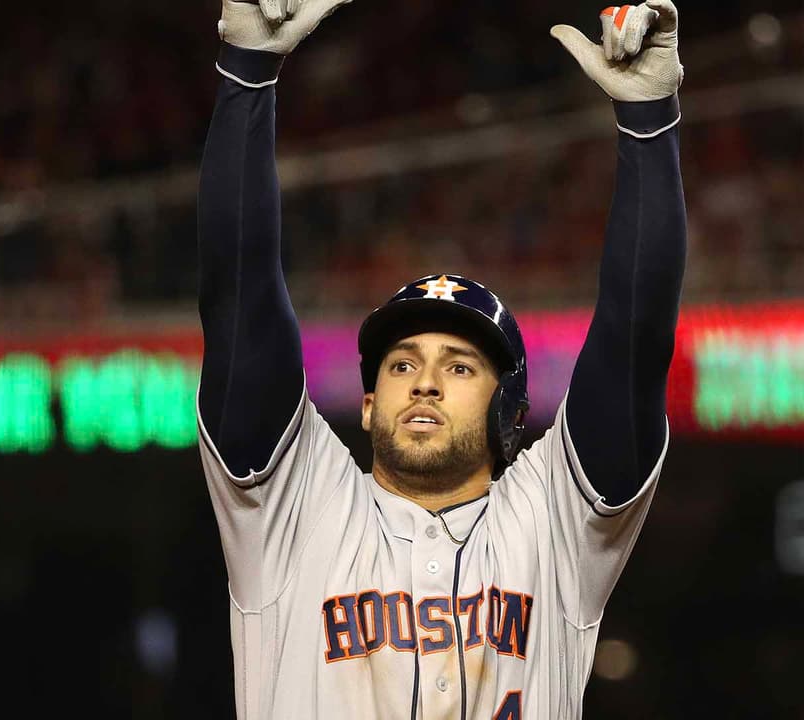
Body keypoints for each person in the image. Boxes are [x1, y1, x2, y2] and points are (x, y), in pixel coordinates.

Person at [194, 0, 687, 717]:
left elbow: (633, 339)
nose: (424, 381)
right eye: (401, 365)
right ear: (368, 405)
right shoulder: (295, 509)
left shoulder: (553, 523)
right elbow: (240, 300)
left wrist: (649, 126)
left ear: (509, 412)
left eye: (459, 367)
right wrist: (247, 74)